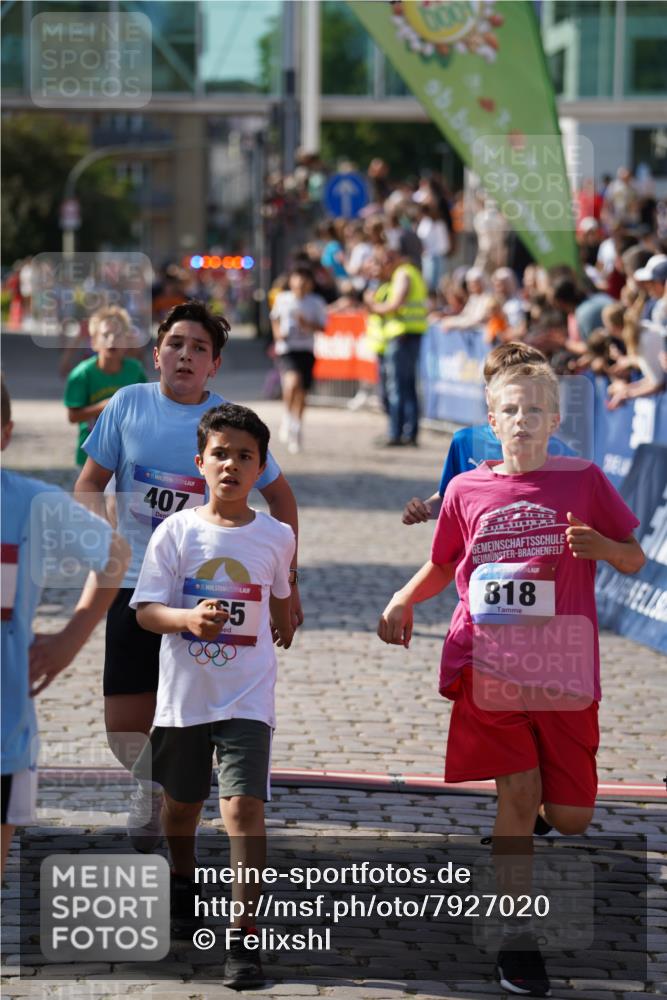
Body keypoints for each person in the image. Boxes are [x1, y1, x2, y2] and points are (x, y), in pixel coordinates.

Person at [379, 361, 645, 997]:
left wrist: (604, 551)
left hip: (564, 667)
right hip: (489, 661)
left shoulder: (584, 481)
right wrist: (403, 598)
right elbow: (445, 563)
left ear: (555, 421)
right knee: (519, 798)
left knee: (573, 816)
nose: (522, 423)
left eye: (535, 412)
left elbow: (633, 556)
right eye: (510, 412)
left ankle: (521, 837)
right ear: (490, 422)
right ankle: (516, 938)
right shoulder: (468, 490)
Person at [74, 300, 302, 850]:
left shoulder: (229, 425)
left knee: (197, 712)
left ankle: (181, 802)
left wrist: (286, 587)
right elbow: (87, 483)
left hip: (212, 589)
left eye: (199, 348)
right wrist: (104, 536)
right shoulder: (127, 405)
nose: (185, 355)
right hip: (136, 586)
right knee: (124, 723)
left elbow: (281, 499)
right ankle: (153, 790)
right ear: (157, 355)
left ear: (214, 365)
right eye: (176, 344)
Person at [131, 403, 294, 988]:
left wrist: (286, 611)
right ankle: (182, 877)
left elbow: (277, 593)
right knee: (182, 805)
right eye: (220, 453)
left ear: (259, 468)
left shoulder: (278, 535)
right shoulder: (175, 532)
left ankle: (244, 938)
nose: (231, 464)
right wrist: (185, 618)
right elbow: (147, 612)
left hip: (249, 694)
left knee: (243, 809)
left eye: (244, 456)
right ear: (200, 463)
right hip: (186, 696)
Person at [1, 374, 129, 874]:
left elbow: (115, 554)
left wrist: (72, 637)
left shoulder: (31, 503)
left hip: (5, 730)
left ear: (5, 434)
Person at [402, 343, 577, 525]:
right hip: (477, 550)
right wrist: (424, 509)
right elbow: (449, 498)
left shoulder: (563, 456)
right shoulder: (465, 442)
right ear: (488, 394)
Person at [64, 306, 147, 467]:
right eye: (105, 335)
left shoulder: (135, 371)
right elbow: (72, 416)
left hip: (126, 452)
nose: (111, 340)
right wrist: (104, 406)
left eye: (117, 335)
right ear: (93, 342)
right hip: (89, 454)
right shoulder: (82, 374)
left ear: (127, 341)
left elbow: (144, 408)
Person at [363, 248, 428, 447]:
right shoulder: (409, 273)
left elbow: (395, 304)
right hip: (406, 335)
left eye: (385, 261)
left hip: (402, 336)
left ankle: (397, 433)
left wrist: (373, 306)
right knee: (406, 387)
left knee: (398, 388)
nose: (383, 266)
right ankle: (407, 433)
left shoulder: (403, 273)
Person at [270, 266, 327, 454]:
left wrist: (307, 324)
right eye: (297, 280)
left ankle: (297, 426)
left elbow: (323, 327)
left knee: (303, 391)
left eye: (304, 282)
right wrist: (278, 335)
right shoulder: (283, 298)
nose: (300, 285)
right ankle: (287, 416)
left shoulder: (316, 302)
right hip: (287, 349)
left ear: (310, 284)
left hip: (307, 350)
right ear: (291, 281)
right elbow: (275, 318)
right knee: (292, 382)